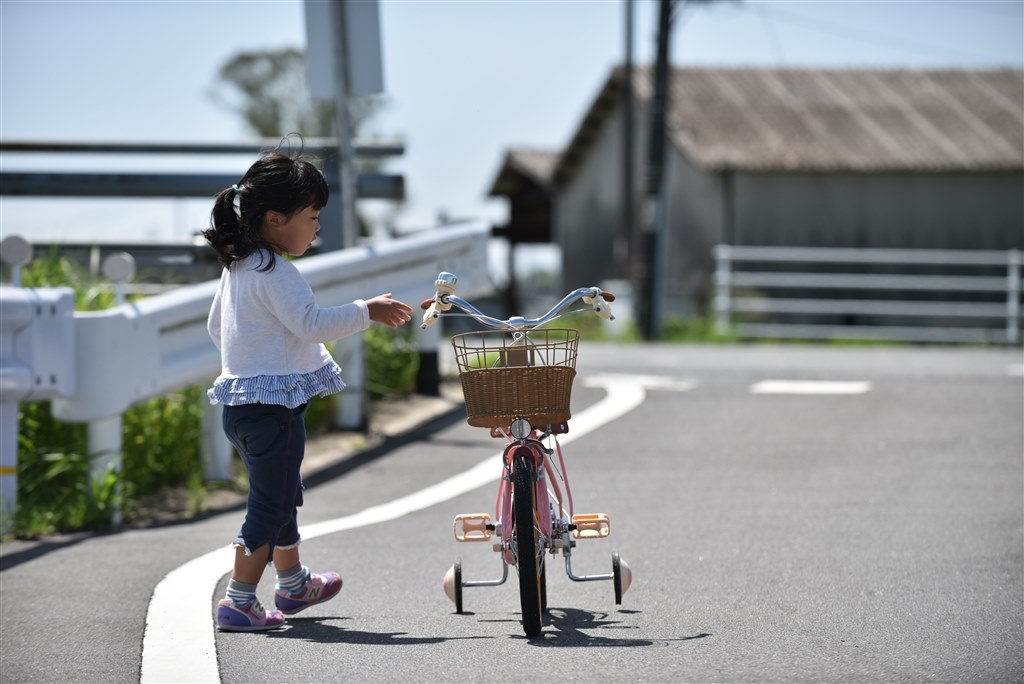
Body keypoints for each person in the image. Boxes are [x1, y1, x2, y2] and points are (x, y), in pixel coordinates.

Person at [203, 147, 414, 632]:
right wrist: (367, 310)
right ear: (276, 220)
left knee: (281, 493)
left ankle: (294, 583)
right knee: (269, 503)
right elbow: (312, 324)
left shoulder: (237, 268)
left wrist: (251, 358)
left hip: (244, 406)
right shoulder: (277, 273)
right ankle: (239, 600)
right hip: (272, 411)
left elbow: (218, 327)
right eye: (313, 217)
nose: (317, 227)